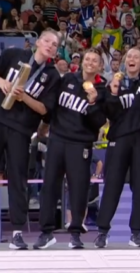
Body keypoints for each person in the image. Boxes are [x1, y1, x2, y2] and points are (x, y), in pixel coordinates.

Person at [0, 31, 61, 251]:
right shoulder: (15, 54)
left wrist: (23, 97)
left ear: (56, 51)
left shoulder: (52, 76)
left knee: (19, 178)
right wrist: (0, 81)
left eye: (55, 44)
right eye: (47, 40)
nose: (50, 45)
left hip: (21, 130)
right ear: (38, 42)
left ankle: (18, 233)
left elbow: (45, 109)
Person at [93, 17, 140, 248]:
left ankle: (136, 232)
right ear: (124, 63)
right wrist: (114, 94)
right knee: (112, 185)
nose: (133, 60)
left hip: (139, 138)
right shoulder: (113, 84)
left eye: (137, 57)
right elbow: (110, 112)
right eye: (130, 58)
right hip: (117, 138)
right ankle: (103, 231)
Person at [34, 48, 107, 250]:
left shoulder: (102, 90)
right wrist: (43, 127)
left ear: (100, 66)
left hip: (80, 143)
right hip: (57, 139)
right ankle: (46, 232)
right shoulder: (67, 80)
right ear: (82, 62)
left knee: (78, 188)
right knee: (49, 186)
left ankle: (75, 232)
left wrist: (93, 101)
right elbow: (52, 106)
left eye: (95, 60)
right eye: (88, 59)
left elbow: (99, 122)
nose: (90, 62)